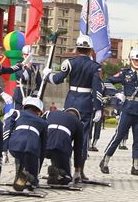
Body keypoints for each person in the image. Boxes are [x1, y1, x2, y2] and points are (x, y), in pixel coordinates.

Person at [43, 34, 103, 177]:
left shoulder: (69, 63)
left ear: (77, 48)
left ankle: (58, 166)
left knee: (66, 133)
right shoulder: (95, 67)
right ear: (90, 50)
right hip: (86, 102)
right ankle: (79, 170)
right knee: (82, 137)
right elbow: (97, 89)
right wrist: (98, 107)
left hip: (70, 100)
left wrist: (47, 75)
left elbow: (57, 80)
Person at [99, 47, 138, 176]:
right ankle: (105, 160)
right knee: (118, 136)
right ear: (130, 60)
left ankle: (135, 166)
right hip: (127, 108)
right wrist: (116, 93)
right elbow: (107, 82)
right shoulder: (125, 73)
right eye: (135, 59)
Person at [7, 96, 49, 192]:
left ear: (25, 107)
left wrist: (5, 148)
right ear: (39, 112)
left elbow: (7, 129)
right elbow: (43, 148)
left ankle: (19, 175)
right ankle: (28, 177)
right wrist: (38, 169)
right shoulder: (43, 122)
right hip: (31, 148)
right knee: (34, 184)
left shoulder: (17, 113)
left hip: (14, 146)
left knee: (20, 154)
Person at [45, 107, 85, 185]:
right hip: (61, 147)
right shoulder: (78, 123)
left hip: (45, 145)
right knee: (67, 178)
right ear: (77, 117)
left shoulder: (52, 113)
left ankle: (53, 175)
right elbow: (78, 149)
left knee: (54, 155)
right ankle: (58, 173)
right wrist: (77, 171)